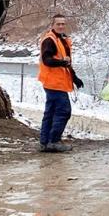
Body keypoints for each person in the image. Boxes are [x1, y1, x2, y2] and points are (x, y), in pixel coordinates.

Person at [37, 14, 84, 153]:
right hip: (54, 83)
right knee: (64, 111)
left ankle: (45, 142)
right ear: (53, 25)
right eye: (58, 24)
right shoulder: (50, 41)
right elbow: (47, 60)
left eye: (63, 24)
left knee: (50, 113)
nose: (61, 26)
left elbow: (65, 62)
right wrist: (62, 63)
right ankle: (54, 141)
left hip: (55, 82)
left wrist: (74, 78)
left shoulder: (61, 40)